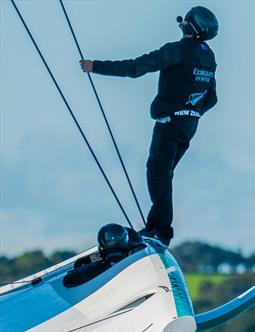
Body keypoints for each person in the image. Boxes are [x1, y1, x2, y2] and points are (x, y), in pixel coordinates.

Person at [80, 6, 219, 246]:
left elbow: (136, 67)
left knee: (157, 173)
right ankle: (156, 227)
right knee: (163, 175)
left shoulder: (175, 51)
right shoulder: (208, 56)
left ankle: (160, 231)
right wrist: (193, 112)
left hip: (169, 122)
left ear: (187, 26)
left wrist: (96, 66)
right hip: (188, 126)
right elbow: (212, 98)